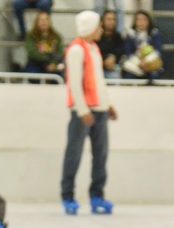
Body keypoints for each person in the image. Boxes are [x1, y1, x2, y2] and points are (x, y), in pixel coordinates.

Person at [60, 10, 117, 215]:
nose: (101, 29)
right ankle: (67, 196)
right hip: (83, 112)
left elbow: (99, 81)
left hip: (99, 110)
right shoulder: (76, 50)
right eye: (99, 26)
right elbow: (74, 83)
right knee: (74, 153)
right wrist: (82, 109)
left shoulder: (94, 48)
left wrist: (108, 104)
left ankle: (97, 195)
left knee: (100, 155)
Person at [121, 9, 163, 79]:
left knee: (154, 74)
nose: (141, 22)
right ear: (135, 21)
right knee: (128, 73)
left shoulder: (154, 33)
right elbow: (128, 53)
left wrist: (146, 62)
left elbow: (158, 51)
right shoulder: (130, 34)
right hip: (135, 64)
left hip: (150, 63)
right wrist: (139, 63)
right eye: (138, 20)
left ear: (149, 21)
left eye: (144, 20)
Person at [97, 9, 125, 80]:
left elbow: (121, 52)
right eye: (109, 19)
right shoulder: (97, 36)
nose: (111, 22)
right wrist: (104, 61)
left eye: (114, 19)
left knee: (116, 74)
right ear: (103, 21)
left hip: (113, 67)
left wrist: (113, 57)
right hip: (98, 66)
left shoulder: (118, 37)